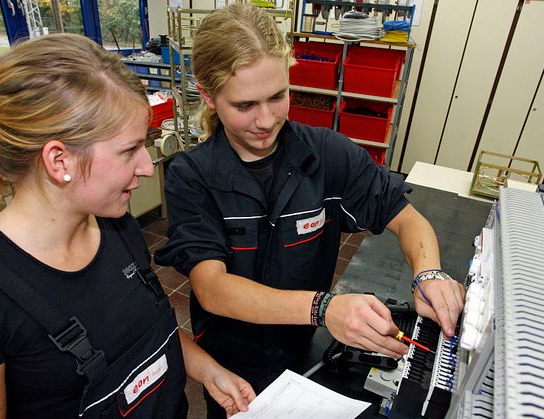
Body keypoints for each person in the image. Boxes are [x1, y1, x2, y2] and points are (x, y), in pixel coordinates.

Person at [0, 33, 255, 418]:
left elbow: (143, 332)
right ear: (59, 160)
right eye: (129, 150)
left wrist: (208, 370)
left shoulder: (116, 230)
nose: (144, 165)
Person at [154, 4, 466, 417]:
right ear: (208, 96)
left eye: (277, 97)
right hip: (233, 367)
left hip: (305, 349)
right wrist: (324, 308)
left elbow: (405, 217)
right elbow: (212, 287)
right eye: (245, 105)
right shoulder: (192, 176)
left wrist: (428, 273)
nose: (266, 120)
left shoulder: (326, 154)